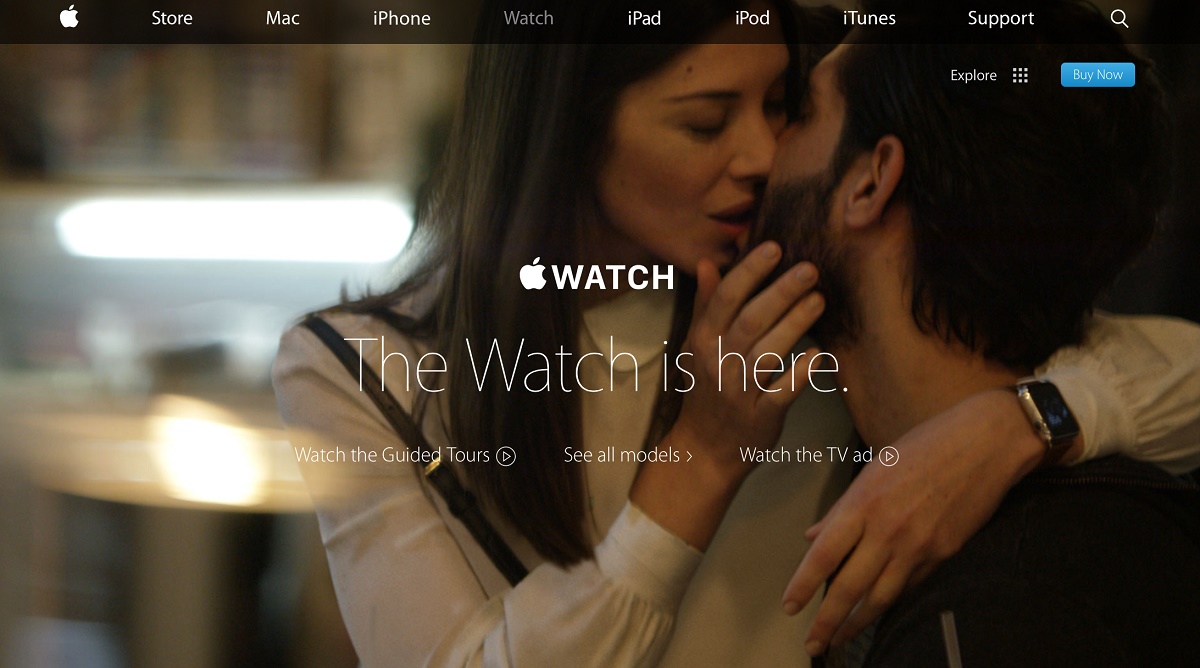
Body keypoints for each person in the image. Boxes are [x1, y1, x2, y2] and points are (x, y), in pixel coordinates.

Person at [272, 0, 1200, 664]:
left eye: (783, 104)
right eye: (707, 121)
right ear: (567, 128)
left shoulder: (794, 267)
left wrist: (1015, 423)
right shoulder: (362, 371)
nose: (761, 155)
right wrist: (704, 455)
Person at [762, 3, 1200, 664]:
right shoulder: (1090, 529)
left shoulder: (1009, 613)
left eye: (799, 111)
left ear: (871, 181)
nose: (758, 152)